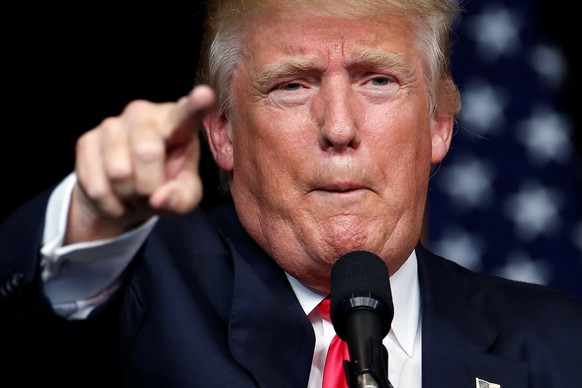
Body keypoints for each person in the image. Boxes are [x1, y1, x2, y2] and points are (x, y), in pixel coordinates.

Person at [1, 0, 581, 387]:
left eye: (377, 80)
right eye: (291, 85)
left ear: (438, 124)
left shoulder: (561, 346)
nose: (338, 127)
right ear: (223, 133)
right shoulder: (145, 289)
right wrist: (92, 217)